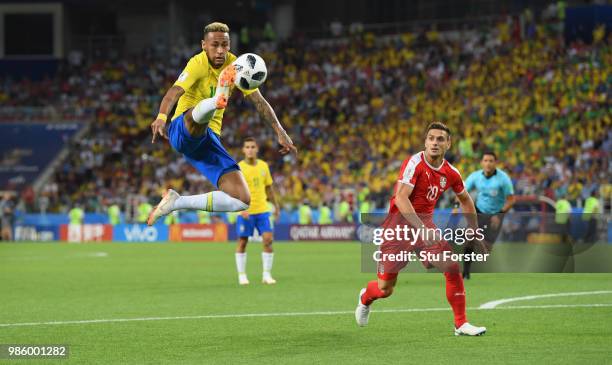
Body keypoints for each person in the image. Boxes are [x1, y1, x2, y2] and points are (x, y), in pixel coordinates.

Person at [148, 22, 296, 225]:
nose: (220, 50)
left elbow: (260, 102)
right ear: (203, 45)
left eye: (224, 45)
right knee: (198, 118)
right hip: (181, 129)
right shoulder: (197, 63)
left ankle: (177, 202)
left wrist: (279, 130)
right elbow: (173, 92)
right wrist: (161, 117)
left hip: (208, 141)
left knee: (242, 200)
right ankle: (216, 100)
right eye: (214, 45)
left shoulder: (238, 66)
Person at [355, 122, 486, 336]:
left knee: (452, 267)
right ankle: (365, 298)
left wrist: (474, 230)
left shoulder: (450, 172)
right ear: (425, 142)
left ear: (448, 144)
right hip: (398, 229)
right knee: (385, 289)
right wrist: (422, 229)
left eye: (440, 139)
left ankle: (461, 324)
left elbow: (465, 199)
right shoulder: (414, 163)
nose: (435, 142)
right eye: (431, 138)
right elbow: (401, 197)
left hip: (425, 227)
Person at [461, 151, 515, 279]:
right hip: (479, 212)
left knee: (486, 250)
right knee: (468, 241)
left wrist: (500, 214)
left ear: (495, 163)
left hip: (496, 215)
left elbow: (512, 200)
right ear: (481, 163)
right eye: (485, 160)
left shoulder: (503, 179)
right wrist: (457, 206)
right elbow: (462, 192)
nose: (488, 163)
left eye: (491, 161)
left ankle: (477, 238)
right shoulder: (475, 176)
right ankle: (466, 272)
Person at [235, 137, 280, 285]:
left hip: (262, 210)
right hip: (246, 211)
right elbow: (234, 190)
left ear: (257, 149)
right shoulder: (238, 167)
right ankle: (242, 275)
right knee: (243, 242)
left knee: (268, 240)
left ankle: (266, 275)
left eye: (252, 147)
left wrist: (276, 206)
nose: (250, 149)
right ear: (243, 150)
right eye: (247, 147)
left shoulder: (263, 166)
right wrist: (240, 209)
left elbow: (269, 188)